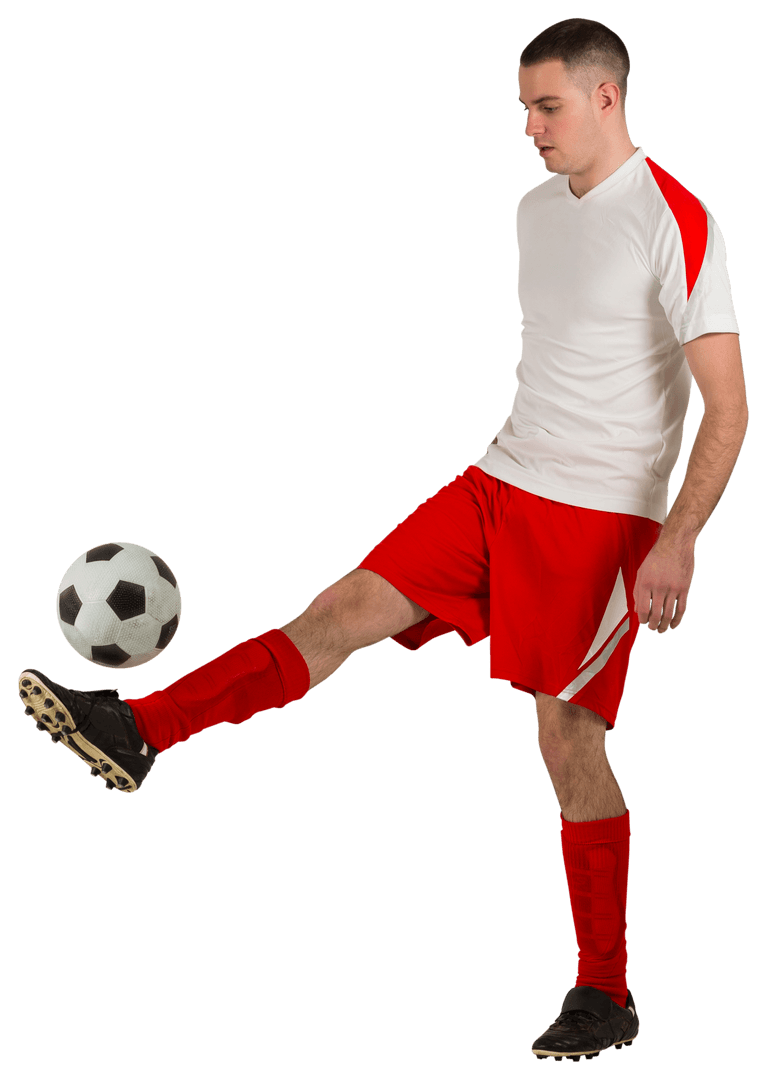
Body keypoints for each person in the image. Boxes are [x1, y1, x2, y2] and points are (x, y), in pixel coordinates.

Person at [18, 17, 747, 1064]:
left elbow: (726, 405)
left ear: (603, 98)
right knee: (337, 610)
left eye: (545, 106)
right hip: (499, 482)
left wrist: (678, 541)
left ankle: (605, 988)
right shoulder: (534, 211)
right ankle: (140, 731)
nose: (528, 127)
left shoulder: (675, 221)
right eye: (520, 109)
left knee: (565, 740)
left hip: (606, 523)